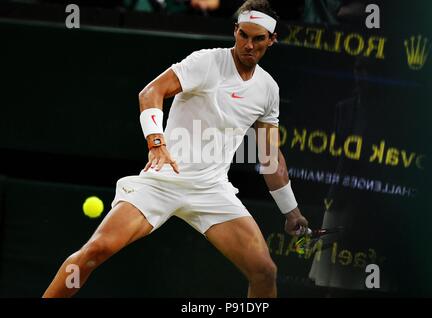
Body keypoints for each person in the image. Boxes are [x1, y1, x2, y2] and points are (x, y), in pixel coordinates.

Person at [43, 0, 308, 298]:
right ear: (235, 30)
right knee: (96, 250)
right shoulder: (206, 62)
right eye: (243, 34)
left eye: (258, 38)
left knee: (264, 272)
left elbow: (270, 156)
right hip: (163, 179)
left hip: (211, 189)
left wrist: (291, 211)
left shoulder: (268, 89)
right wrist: (156, 142)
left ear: (271, 40)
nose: (248, 44)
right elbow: (151, 92)